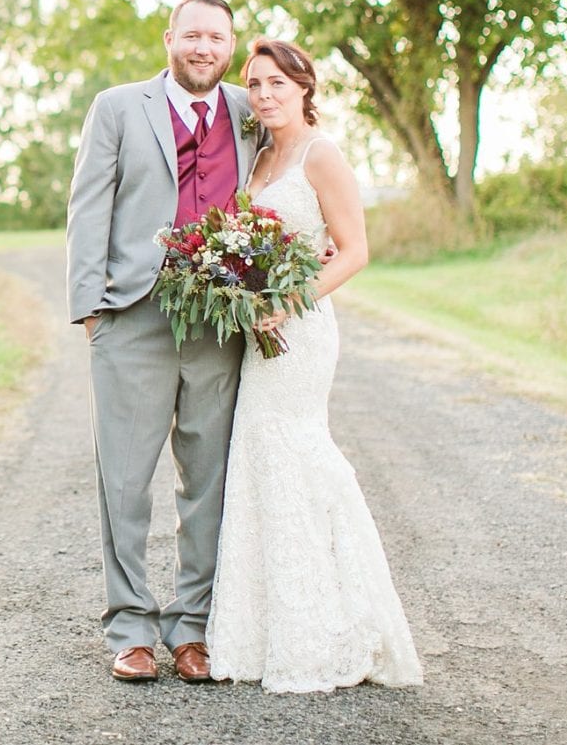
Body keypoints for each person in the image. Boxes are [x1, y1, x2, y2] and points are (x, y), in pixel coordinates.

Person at [207, 37, 422, 692]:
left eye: (277, 82)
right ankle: (264, 632)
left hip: (301, 331)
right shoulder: (259, 156)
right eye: (256, 83)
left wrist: (286, 302)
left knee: (297, 451)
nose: (266, 94)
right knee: (260, 459)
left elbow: (354, 251)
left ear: (304, 87)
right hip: (258, 332)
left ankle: (338, 623)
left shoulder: (320, 155)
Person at [65, 0, 262, 683]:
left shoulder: (247, 107)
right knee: (123, 480)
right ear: (169, 38)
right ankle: (130, 628)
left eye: (217, 37)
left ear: (230, 45)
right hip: (134, 314)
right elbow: (89, 205)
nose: (204, 47)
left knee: (208, 480)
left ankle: (194, 627)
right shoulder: (118, 106)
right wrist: (92, 308)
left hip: (219, 321)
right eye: (193, 35)